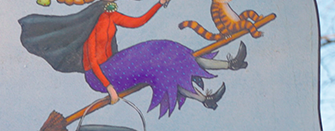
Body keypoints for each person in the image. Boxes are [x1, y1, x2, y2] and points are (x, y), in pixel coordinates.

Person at [20, 0, 248, 117]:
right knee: (156, 64)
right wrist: (109, 88)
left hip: (116, 66)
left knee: (166, 48)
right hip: (99, 77)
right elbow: (93, 63)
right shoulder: (92, 26)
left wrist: (158, 4)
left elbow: (137, 22)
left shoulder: (110, 15)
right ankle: (204, 98)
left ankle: (230, 65)